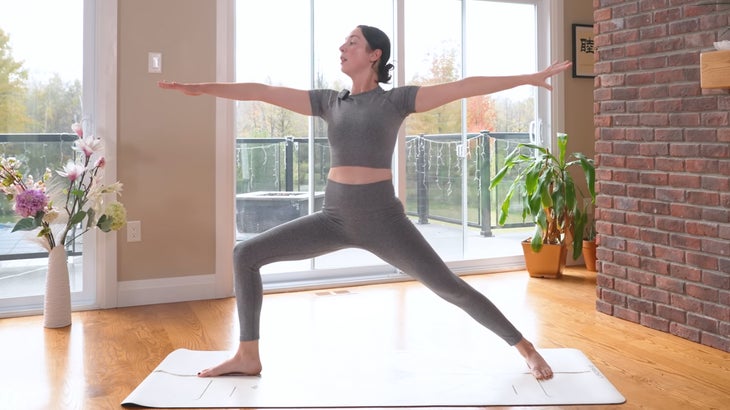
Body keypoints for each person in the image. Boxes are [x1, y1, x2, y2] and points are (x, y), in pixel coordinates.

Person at [159, 25, 571, 381]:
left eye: (352, 42)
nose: (343, 48)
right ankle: (248, 355)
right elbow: (262, 92)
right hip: (332, 218)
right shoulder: (328, 102)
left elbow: (464, 87)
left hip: (384, 221)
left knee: (450, 287)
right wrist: (202, 88)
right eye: (343, 42)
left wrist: (527, 77)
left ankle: (525, 347)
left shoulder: (396, 101)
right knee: (245, 253)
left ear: (374, 54)